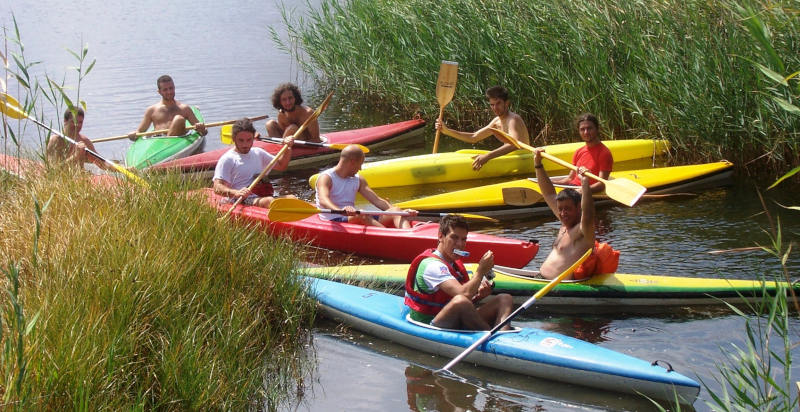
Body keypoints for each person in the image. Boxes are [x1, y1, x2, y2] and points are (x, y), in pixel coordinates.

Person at [404, 214, 513, 330]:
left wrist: (478, 296)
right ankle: (489, 337)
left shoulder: (454, 264)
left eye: (463, 239)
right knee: (460, 301)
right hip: (431, 324)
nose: (460, 244)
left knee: (504, 299)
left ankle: (502, 335)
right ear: (441, 236)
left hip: (454, 317)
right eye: (454, 238)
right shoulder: (433, 266)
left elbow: (460, 299)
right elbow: (462, 295)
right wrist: (480, 272)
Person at [315, 144, 416, 228]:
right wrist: (341, 211)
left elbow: (377, 200)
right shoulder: (326, 178)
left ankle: (409, 236)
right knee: (361, 214)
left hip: (352, 216)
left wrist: (401, 212)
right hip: (333, 218)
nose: (360, 168)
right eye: (360, 164)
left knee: (396, 210)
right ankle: (392, 237)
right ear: (352, 162)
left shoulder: (358, 179)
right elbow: (324, 200)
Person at [434, 85, 530, 171]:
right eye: (492, 105)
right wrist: (447, 131)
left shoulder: (513, 120)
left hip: (524, 159)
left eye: (498, 103)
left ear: (507, 103)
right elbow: (474, 137)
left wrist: (487, 156)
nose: (495, 108)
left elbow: (514, 144)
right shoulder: (496, 122)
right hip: (512, 158)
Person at [533, 148, 595, 280]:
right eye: (560, 209)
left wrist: (585, 183)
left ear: (579, 207)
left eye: (567, 208)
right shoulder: (564, 223)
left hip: (559, 289)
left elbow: (588, 214)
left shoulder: (583, 231)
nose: (562, 213)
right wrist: (538, 164)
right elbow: (548, 193)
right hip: (540, 279)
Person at [213, 118, 294, 208]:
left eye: (249, 140)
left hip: (260, 196)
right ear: (233, 138)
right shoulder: (228, 159)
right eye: (241, 140)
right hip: (239, 199)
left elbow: (281, 166)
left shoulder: (258, 153)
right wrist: (236, 192)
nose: (245, 144)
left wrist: (288, 147)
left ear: (253, 138)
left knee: (292, 198)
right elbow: (217, 187)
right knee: (269, 201)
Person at [128, 75, 207, 140]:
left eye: (171, 88)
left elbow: (203, 132)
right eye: (165, 90)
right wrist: (133, 135)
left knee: (179, 119)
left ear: (174, 88)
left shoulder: (184, 109)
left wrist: (201, 128)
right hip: (158, 142)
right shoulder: (151, 110)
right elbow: (139, 133)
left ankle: (168, 140)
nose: (169, 92)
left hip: (178, 140)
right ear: (159, 92)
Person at [550, 113, 612, 193]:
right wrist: (551, 183)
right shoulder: (579, 151)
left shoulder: (604, 153)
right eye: (582, 129)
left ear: (597, 129)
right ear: (579, 131)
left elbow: (601, 184)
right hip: (573, 189)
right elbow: (570, 179)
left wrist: (580, 191)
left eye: (589, 128)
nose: (586, 132)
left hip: (585, 192)